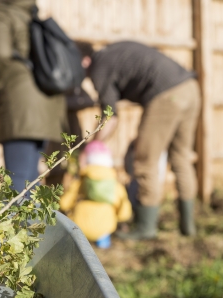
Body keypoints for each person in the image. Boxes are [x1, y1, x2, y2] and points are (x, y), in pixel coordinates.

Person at [77, 41, 201, 239]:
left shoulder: (100, 67)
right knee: (181, 158)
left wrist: (89, 148)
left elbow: (110, 117)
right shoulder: (114, 52)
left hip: (166, 95)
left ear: (84, 61)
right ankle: (189, 227)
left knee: (145, 161)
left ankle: (145, 229)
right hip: (190, 88)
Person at [0, 0, 67, 192]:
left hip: (19, 102)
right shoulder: (27, 10)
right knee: (30, 178)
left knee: (16, 181)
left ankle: (17, 222)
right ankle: (34, 222)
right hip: (44, 101)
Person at [60, 141, 132, 248]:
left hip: (79, 227)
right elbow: (125, 213)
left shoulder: (80, 182)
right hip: (104, 228)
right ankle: (103, 243)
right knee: (104, 235)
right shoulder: (116, 185)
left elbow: (64, 204)